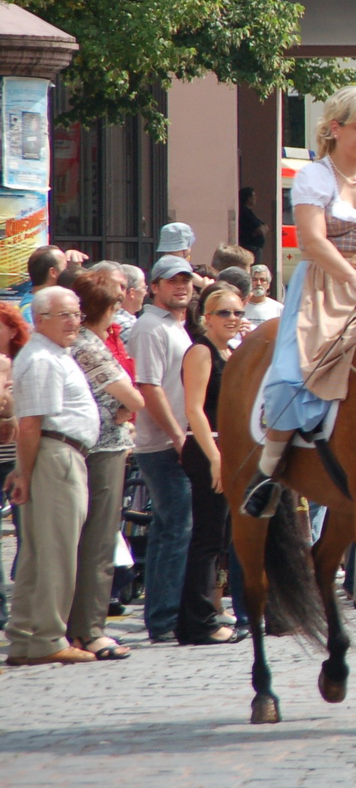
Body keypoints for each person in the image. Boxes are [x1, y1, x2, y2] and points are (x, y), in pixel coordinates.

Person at [244, 85, 356, 519]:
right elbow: (313, 242)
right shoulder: (313, 177)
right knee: (292, 372)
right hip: (325, 283)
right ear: (335, 128)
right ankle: (268, 471)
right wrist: (355, 282)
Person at [4, 287, 102, 665]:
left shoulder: (51, 354)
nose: (74, 321)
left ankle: (26, 637)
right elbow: (30, 425)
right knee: (57, 553)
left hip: (54, 455)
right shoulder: (43, 358)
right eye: (64, 314)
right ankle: (47, 637)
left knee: (38, 552)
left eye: (76, 313)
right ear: (40, 319)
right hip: (55, 457)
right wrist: (25, 473)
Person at [65, 271, 146, 661]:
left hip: (95, 445)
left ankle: (82, 625)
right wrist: (128, 407)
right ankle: (89, 629)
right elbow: (132, 396)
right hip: (103, 449)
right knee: (99, 541)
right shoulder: (89, 346)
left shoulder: (83, 343)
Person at [129, 254, 196, 642]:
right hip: (162, 443)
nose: (181, 286)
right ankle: (166, 618)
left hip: (173, 439)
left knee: (167, 529)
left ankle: (162, 613)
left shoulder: (173, 325)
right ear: (155, 286)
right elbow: (148, 387)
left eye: (185, 280)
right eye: (173, 281)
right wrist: (176, 435)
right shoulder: (150, 327)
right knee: (176, 529)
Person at [177, 284, 248, 644]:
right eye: (225, 313)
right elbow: (194, 409)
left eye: (238, 312)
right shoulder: (201, 352)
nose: (233, 319)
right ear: (208, 317)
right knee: (206, 537)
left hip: (229, 449)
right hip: (208, 448)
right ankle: (197, 621)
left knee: (219, 537)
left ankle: (207, 612)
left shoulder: (229, 350)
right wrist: (216, 458)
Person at [238, 187, 267, 257]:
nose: (256, 198)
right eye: (254, 196)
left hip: (254, 248)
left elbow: (264, 227)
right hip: (250, 248)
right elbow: (260, 230)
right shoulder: (245, 213)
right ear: (249, 198)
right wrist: (260, 230)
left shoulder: (249, 212)